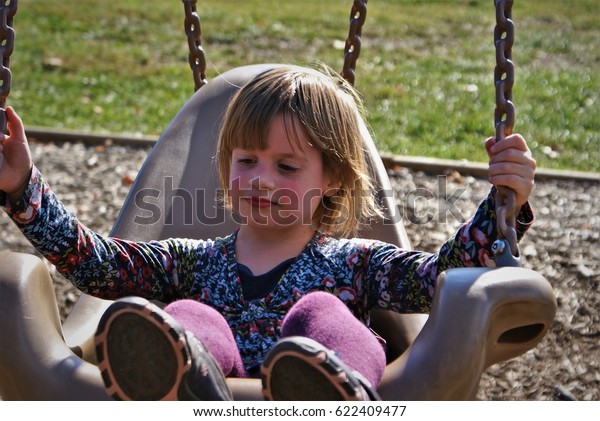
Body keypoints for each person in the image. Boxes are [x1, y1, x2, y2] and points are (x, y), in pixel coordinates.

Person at [0, 65, 536, 401]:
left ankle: (331, 392)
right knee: (188, 318)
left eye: (286, 167)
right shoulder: (193, 261)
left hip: (326, 389)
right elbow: (98, 264)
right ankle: (181, 385)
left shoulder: (356, 262)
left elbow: (443, 276)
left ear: (332, 180)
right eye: (247, 159)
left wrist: (505, 202)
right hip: (212, 394)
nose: (259, 178)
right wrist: (23, 187)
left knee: (323, 313)